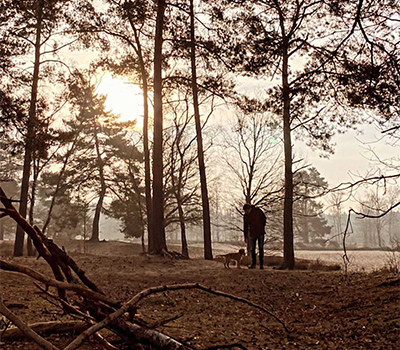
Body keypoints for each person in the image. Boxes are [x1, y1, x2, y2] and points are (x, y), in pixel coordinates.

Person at [243, 203, 266, 269]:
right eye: (245, 211)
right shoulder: (246, 216)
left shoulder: (258, 211)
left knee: (260, 248)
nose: (246, 212)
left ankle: (261, 264)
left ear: (249, 209)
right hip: (253, 233)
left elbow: (264, 219)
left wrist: (262, 227)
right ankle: (254, 264)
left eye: (247, 210)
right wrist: (245, 236)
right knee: (252, 249)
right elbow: (245, 226)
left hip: (260, 232)